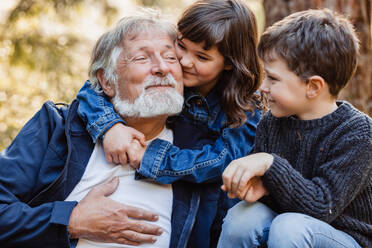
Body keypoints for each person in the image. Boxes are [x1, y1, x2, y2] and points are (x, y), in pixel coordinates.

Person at [0, 14, 201, 248]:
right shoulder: (57, 129)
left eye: (171, 57)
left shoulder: (200, 150)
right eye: (141, 58)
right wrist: (71, 221)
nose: (162, 67)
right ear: (107, 81)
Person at [76, 0, 263, 247]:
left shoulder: (245, 108)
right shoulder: (170, 79)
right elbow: (92, 90)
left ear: (229, 63)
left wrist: (152, 159)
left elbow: (222, 162)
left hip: (213, 206)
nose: (184, 61)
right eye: (182, 47)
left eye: (202, 57)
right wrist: (111, 127)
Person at [218, 8, 372, 248]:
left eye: (273, 78)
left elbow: (322, 206)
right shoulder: (272, 122)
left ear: (313, 87)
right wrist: (260, 189)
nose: (262, 87)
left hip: (346, 238)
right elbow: (277, 192)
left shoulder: (358, 133)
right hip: (289, 229)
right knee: (242, 218)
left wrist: (270, 164)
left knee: (290, 226)